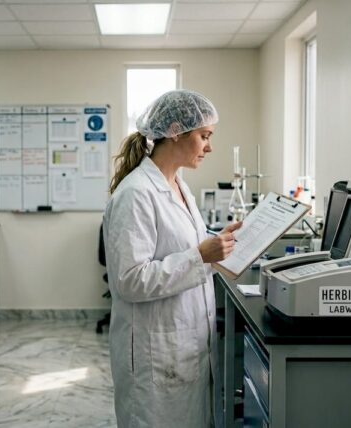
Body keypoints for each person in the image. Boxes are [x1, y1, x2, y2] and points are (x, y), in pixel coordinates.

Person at [103, 89, 242, 428]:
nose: (209, 147)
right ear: (176, 131)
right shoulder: (136, 193)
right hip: (156, 353)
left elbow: (184, 249)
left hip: (184, 346)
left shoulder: (179, 186)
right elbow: (129, 281)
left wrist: (219, 245)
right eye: (204, 136)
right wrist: (200, 256)